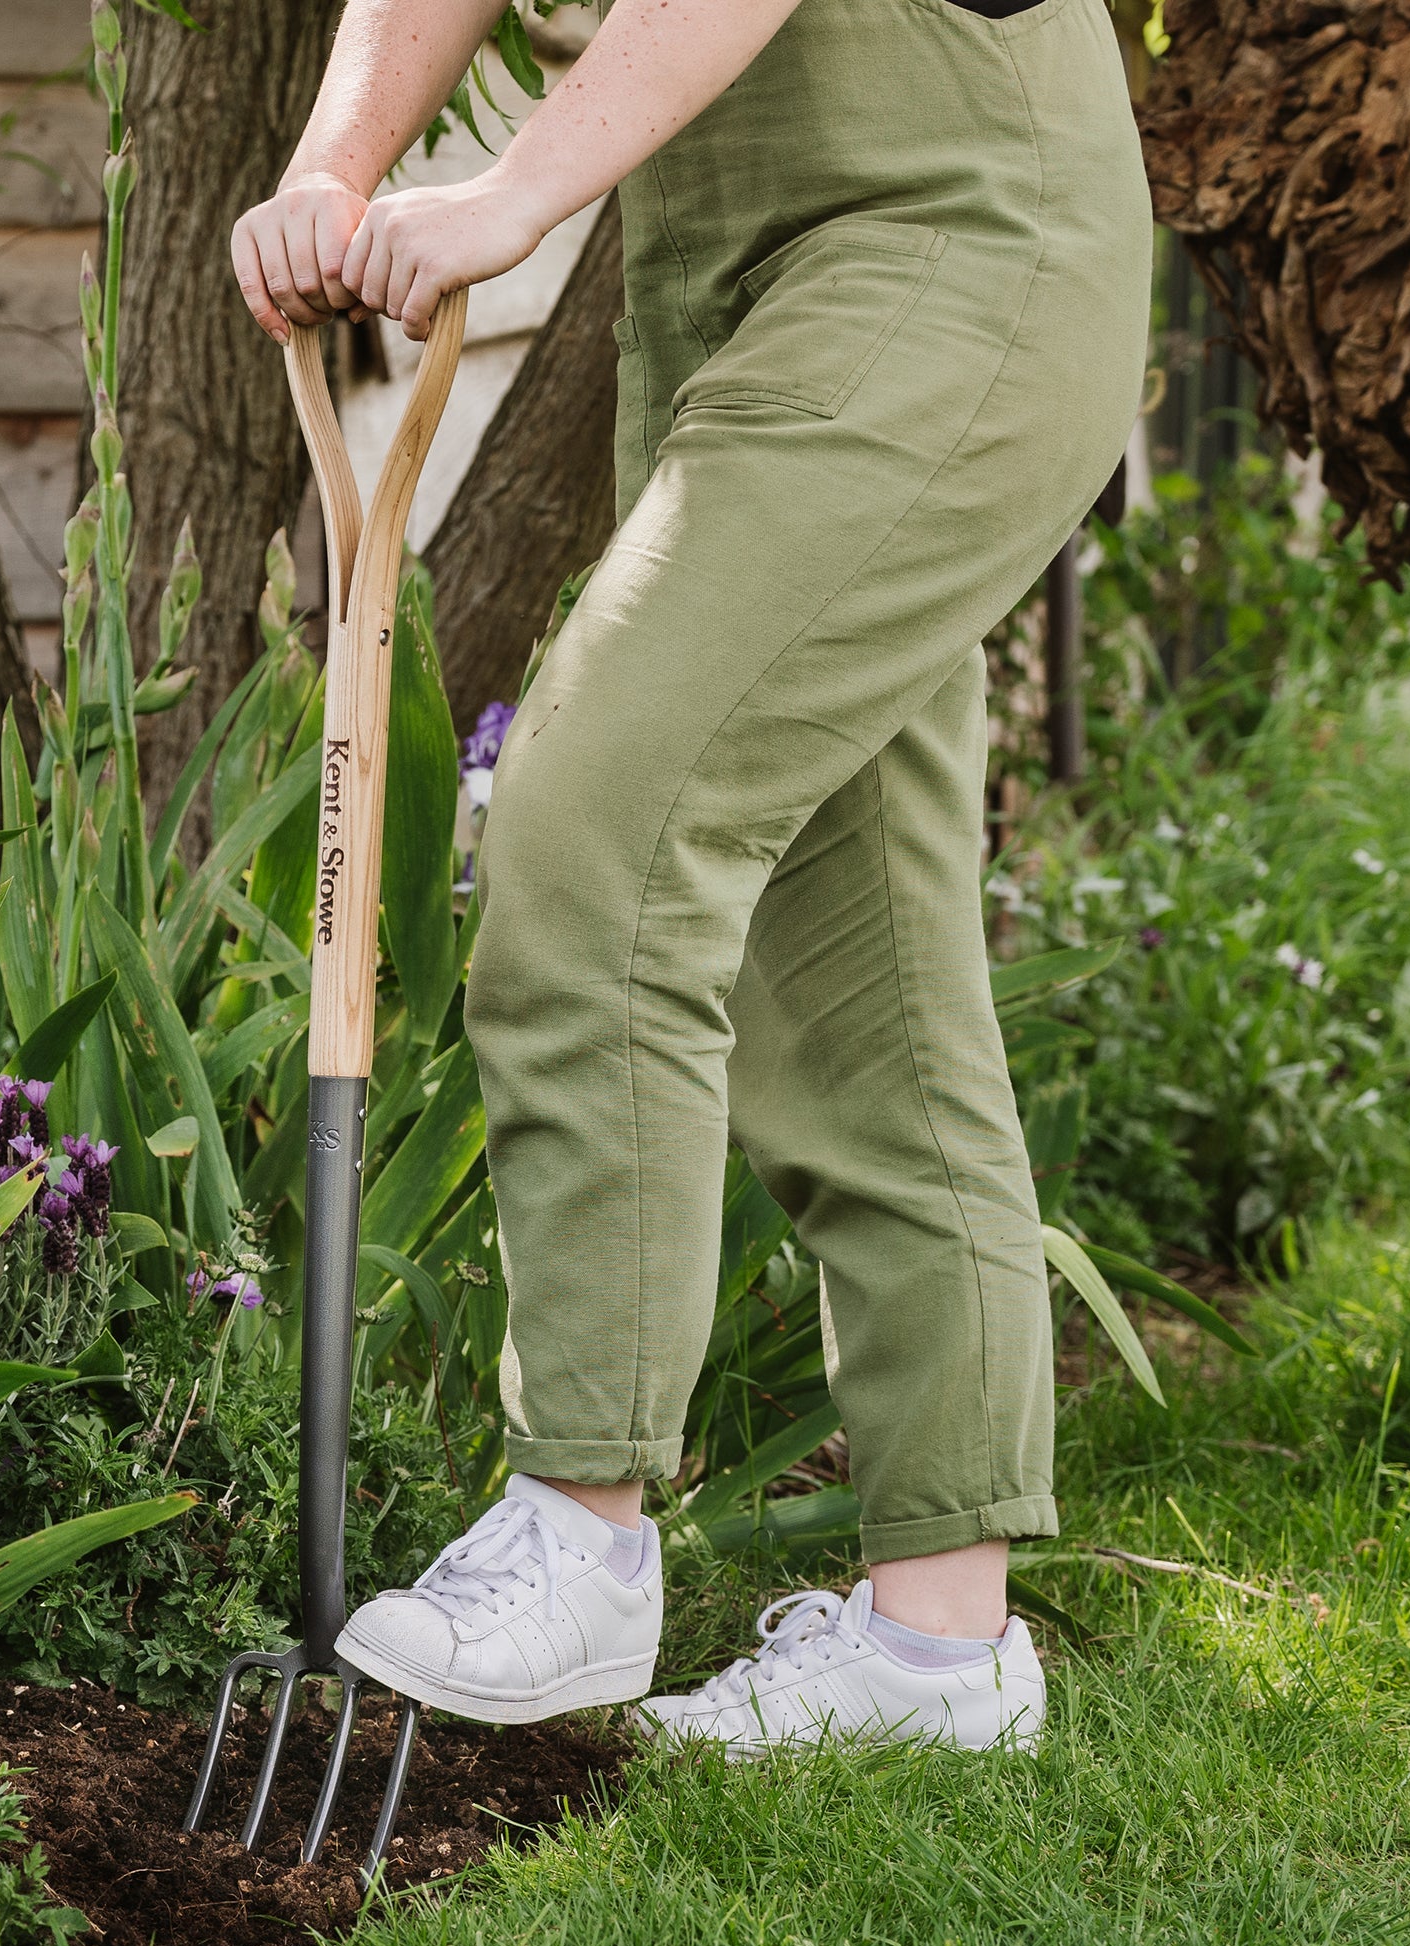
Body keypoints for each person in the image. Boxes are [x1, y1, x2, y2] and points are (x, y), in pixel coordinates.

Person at [232, 0, 1151, 1752]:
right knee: (853, 958)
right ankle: (936, 1659)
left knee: (597, 821)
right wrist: (332, 168)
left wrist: (507, 197)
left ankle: (582, 1530)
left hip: (951, 242)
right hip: (739, 285)